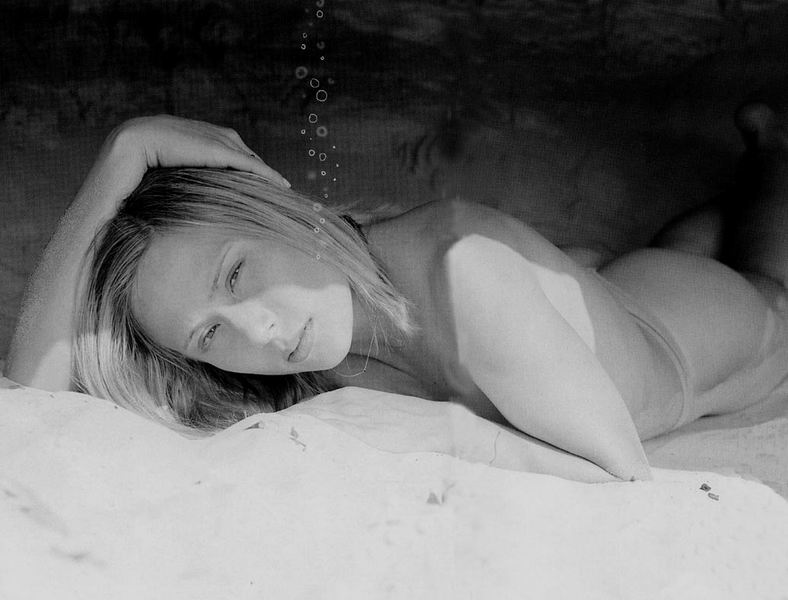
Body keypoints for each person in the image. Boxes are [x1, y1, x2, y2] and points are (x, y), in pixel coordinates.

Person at [7, 103, 788, 484]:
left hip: (686, 341)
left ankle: (770, 151)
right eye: (209, 334)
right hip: (587, 312)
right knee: (663, 253)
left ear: (285, 214)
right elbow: (30, 412)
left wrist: (440, 433)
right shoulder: (293, 359)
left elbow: (622, 472)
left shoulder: (465, 272)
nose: (259, 329)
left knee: (768, 281)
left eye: (237, 273)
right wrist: (122, 157)